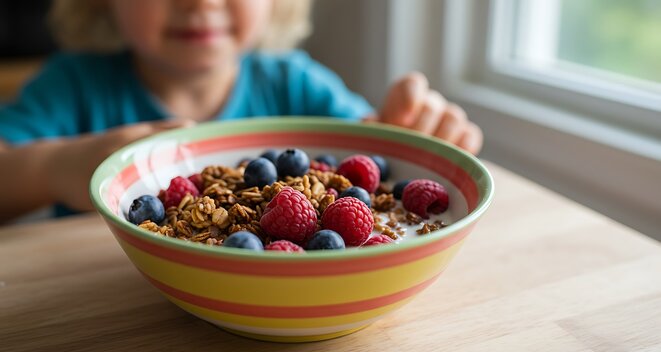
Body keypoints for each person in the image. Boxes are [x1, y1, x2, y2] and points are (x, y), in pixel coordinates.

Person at [0, 0, 483, 223]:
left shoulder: (296, 82)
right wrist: (57, 167)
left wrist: (411, 130)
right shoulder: (71, 86)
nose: (200, 3)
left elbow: (369, 159)